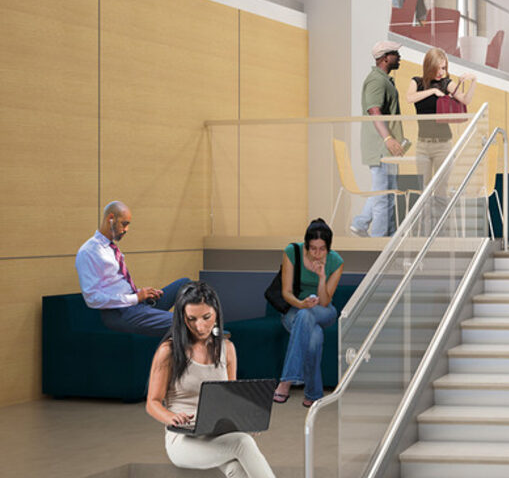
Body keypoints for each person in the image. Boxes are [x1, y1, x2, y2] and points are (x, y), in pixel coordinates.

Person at [146, 281, 275, 478]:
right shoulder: (169, 352)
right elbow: (152, 403)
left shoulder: (227, 349)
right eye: (192, 319)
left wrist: (246, 420)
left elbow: (230, 399)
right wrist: (171, 417)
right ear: (182, 318)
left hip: (217, 433)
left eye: (206, 317)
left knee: (238, 470)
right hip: (183, 438)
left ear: (216, 313)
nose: (200, 326)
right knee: (242, 443)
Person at [76, 201, 191, 337]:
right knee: (186, 324)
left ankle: (198, 319)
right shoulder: (88, 252)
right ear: (110, 218)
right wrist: (135, 298)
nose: (126, 230)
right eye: (124, 224)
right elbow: (92, 298)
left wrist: (141, 294)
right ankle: (213, 337)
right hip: (120, 314)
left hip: (137, 305)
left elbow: (117, 285)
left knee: (186, 284)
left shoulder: (110, 248)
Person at [273, 219, 344, 408]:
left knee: (307, 316)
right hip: (295, 309)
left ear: (328, 248)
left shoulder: (336, 262)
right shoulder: (292, 253)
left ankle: (286, 381)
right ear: (306, 245)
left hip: (324, 311)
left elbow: (326, 300)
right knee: (313, 335)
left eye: (322, 249)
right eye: (312, 248)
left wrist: (322, 278)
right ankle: (313, 393)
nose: (317, 254)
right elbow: (286, 292)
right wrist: (301, 304)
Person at [350, 41, 407, 238]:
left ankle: (361, 223)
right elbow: (374, 110)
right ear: (385, 58)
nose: (399, 57)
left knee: (385, 192)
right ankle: (380, 240)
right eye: (395, 54)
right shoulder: (376, 81)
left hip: (387, 148)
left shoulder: (385, 80)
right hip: (381, 147)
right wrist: (388, 139)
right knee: (383, 196)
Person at [406, 46, 476, 188]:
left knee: (441, 189)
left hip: (443, 144)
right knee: (423, 190)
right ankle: (426, 212)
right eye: (437, 68)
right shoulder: (417, 82)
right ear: (428, 66)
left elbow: (465, 100)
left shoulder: (446, 83)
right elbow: (409, 98)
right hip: (422, 145)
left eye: (443, 68)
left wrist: (474, 81)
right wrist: (432, 91)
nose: (440, 72)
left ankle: (439, 211)